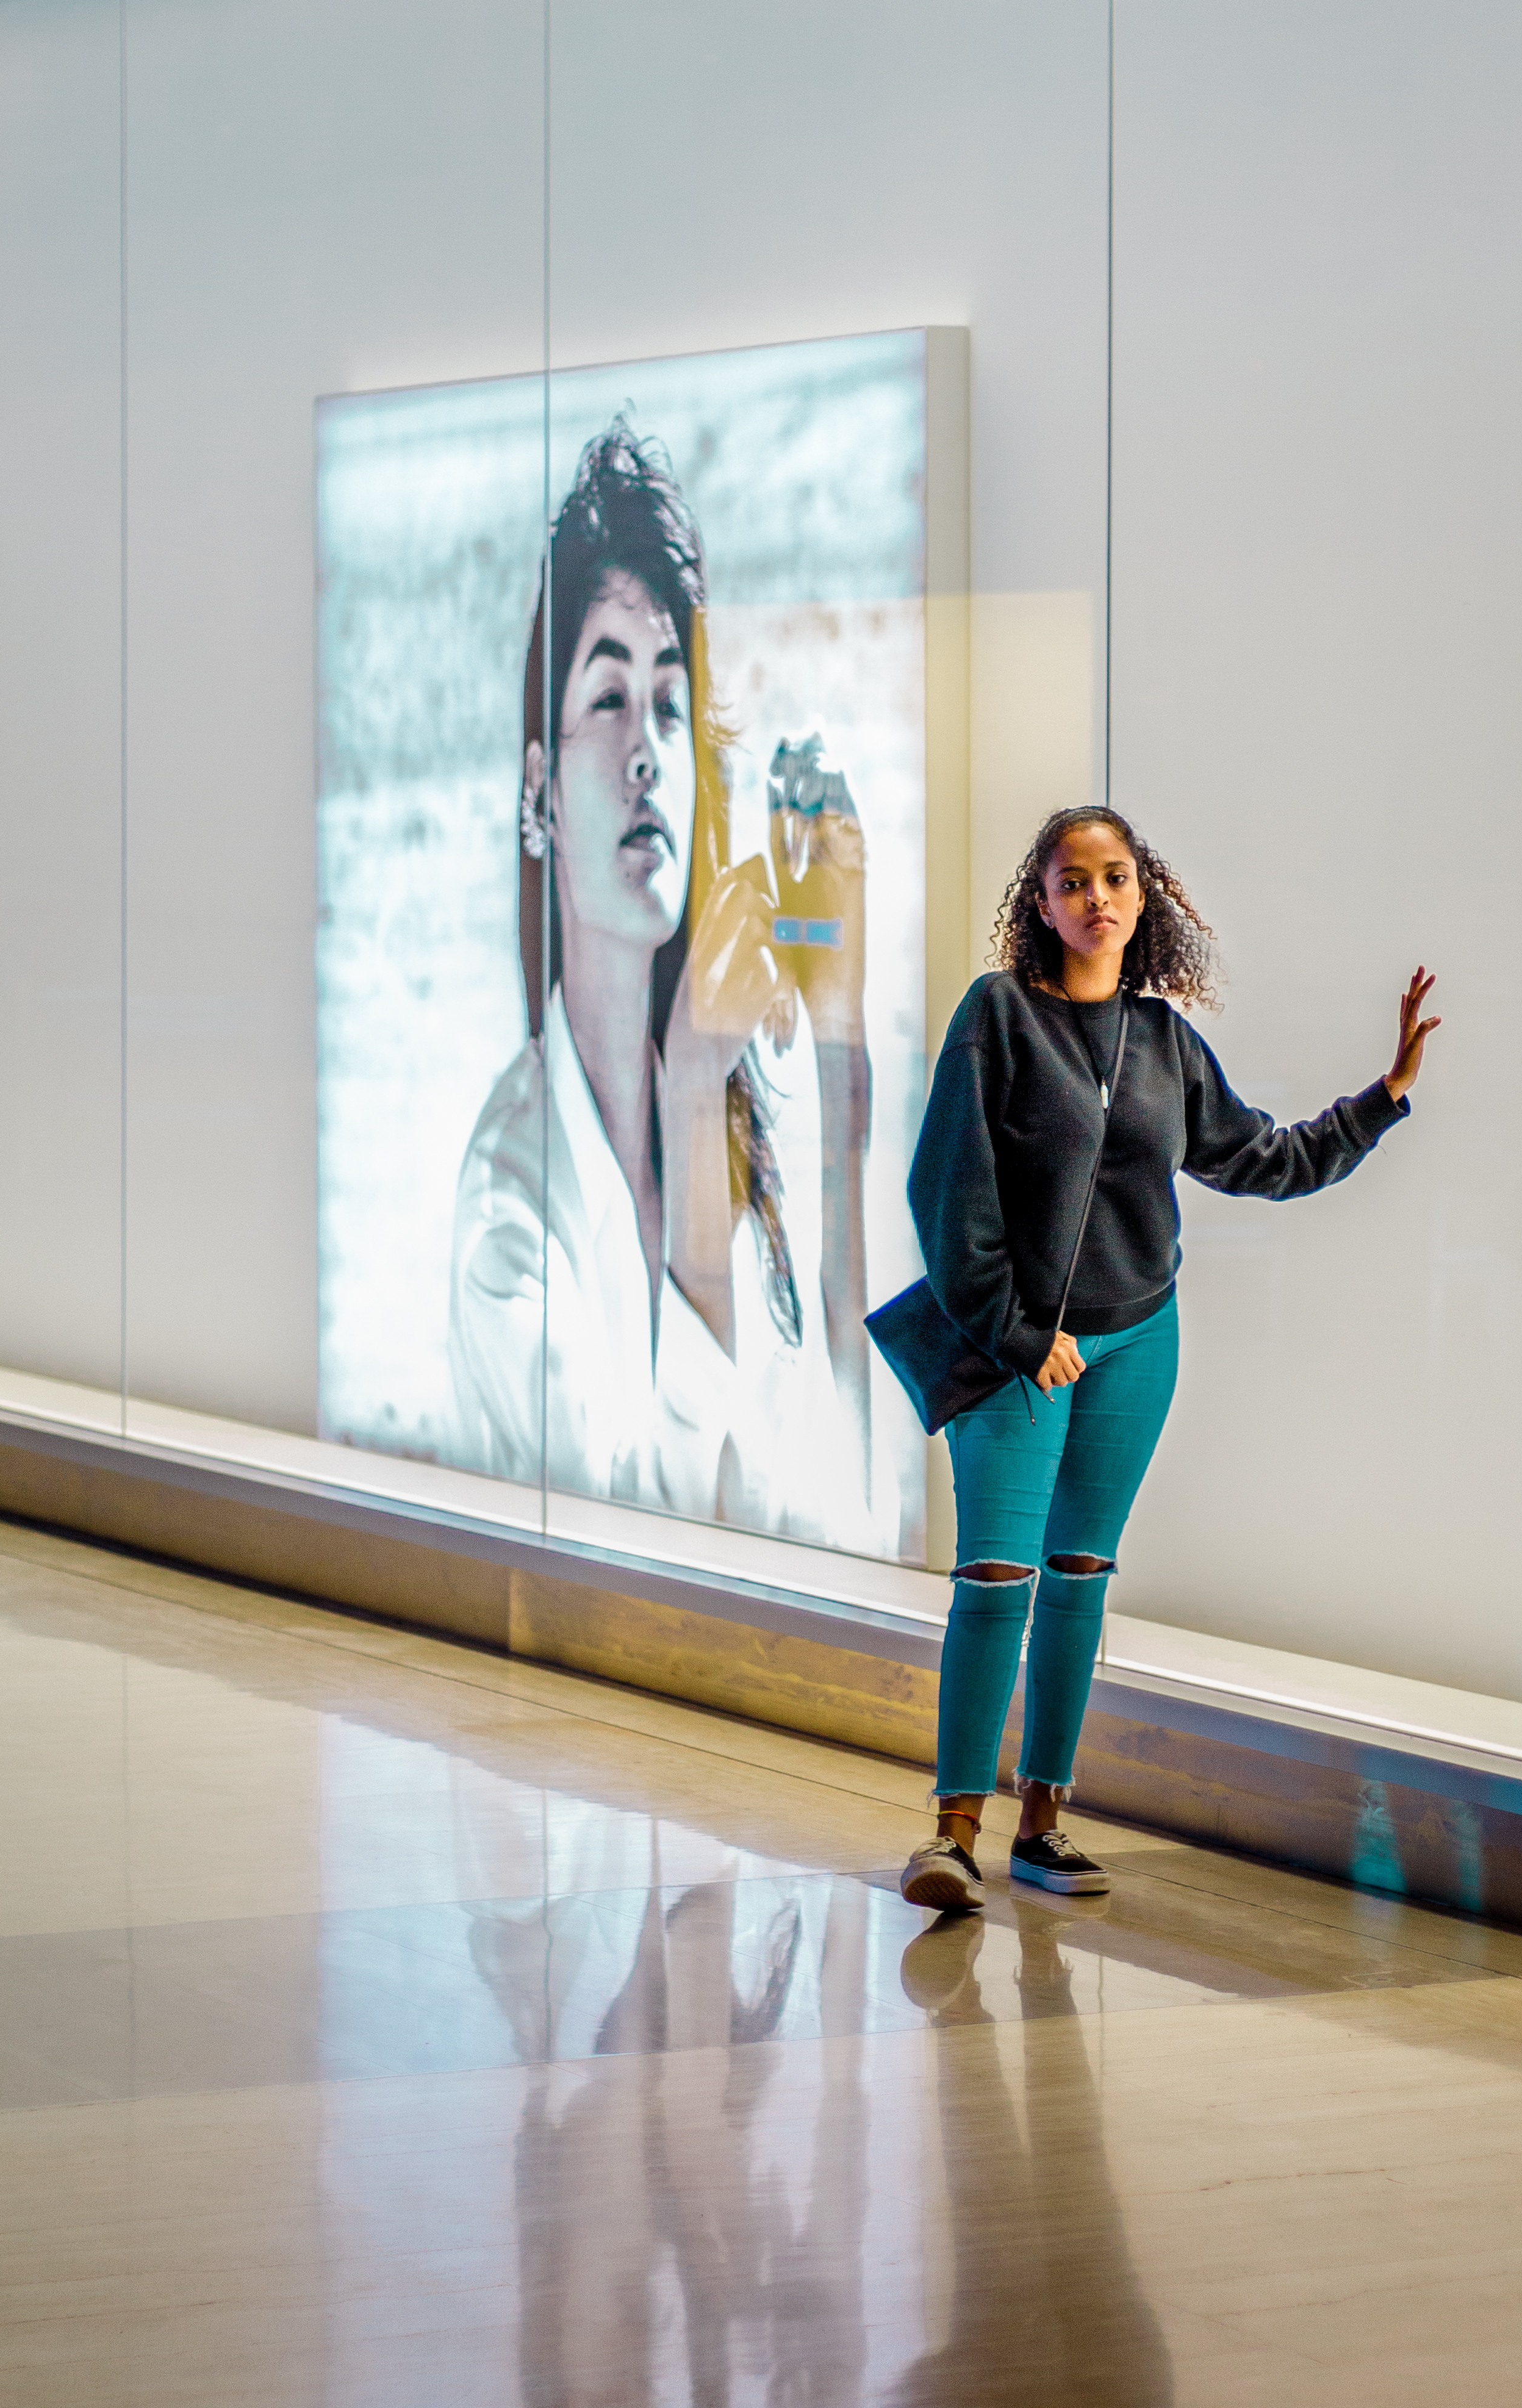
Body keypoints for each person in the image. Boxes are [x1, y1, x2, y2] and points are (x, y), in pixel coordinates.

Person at [897, 805, 1438, 1910]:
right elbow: (946, 1195)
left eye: (1116, 879)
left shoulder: (1164, 1043)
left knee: (1081, 1578)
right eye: (1073, 880)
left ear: (1144, 901)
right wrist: (1017, 1332)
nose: (1097, 897)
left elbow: (1263, 1159)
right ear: (1038, 903)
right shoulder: (997, 1017)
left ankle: (1044, 1822)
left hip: (1139, 1338)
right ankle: (952, 1835)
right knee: (998, 1577)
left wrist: (1383, 1099)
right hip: (1016, 1352)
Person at [449, 419, 872, 1540]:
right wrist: (689, 1101)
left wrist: (838, 1037)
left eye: (671, 706)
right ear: (539, 791)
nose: (646, 747)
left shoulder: (731, 1101)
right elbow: (644, 1556)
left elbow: (843, 1493)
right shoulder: (509, 1226)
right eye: (607, 697)